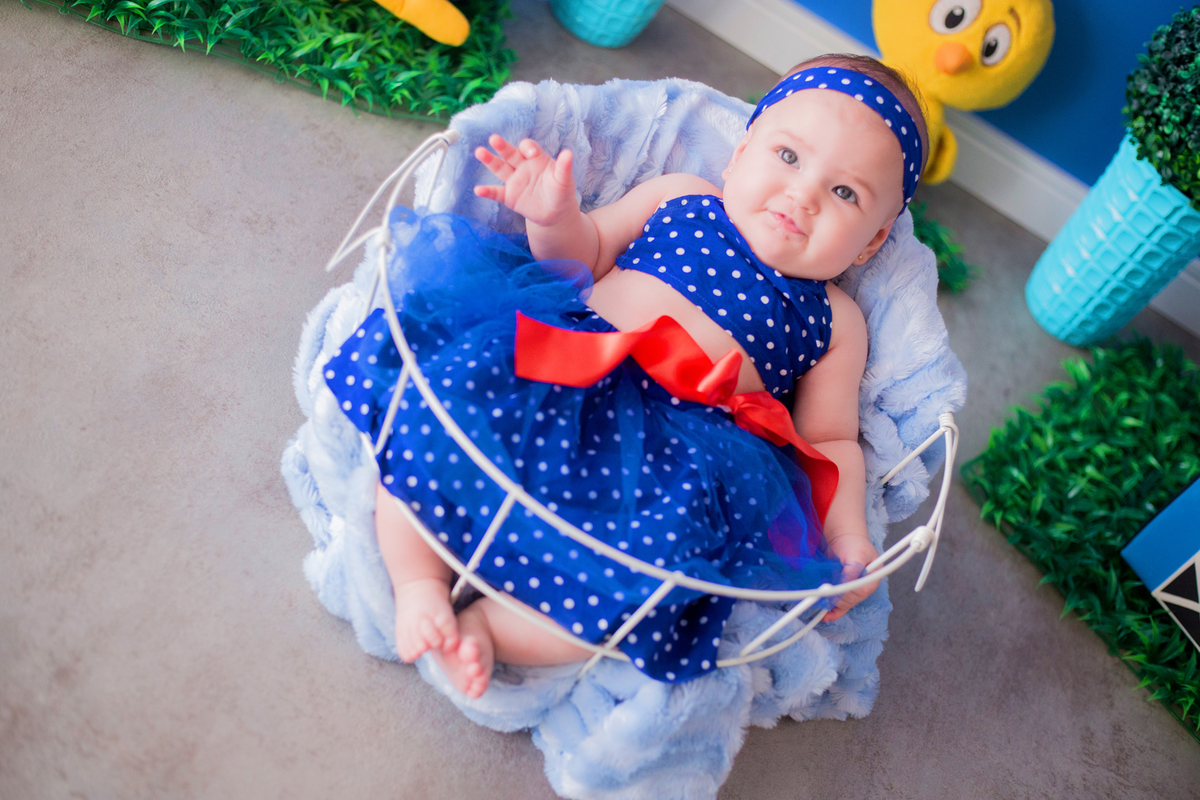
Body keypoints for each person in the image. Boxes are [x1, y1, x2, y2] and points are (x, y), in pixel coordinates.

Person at [321, 53, 929, 699]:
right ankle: (419, 580)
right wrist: (553, 218)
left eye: (845, 193)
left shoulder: (836, 320)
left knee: (655, 574)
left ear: (870, 241)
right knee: (441, 406)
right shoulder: (683, 198)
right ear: (740, 153)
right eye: (787, 156)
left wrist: (847, 534)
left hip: (684, 448)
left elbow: (832, 439)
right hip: (565, 365)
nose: (801, 195)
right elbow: (578, 262)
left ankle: (489, 631)